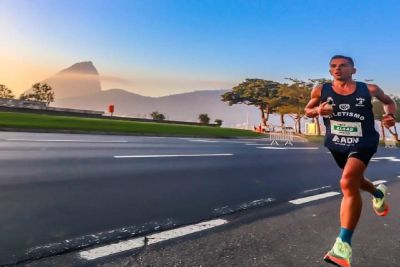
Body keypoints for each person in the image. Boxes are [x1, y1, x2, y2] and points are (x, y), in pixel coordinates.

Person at [304, 55, 397, 267]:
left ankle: (343, 245)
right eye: (333, 66)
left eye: (343, 66)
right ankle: (378, 193)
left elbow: (389, 103)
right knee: (355, 181)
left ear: (353, 70)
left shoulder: (369, 89)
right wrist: (318, 110)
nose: (338, 69)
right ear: (330, 71)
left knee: (347, 183)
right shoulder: (320, 90)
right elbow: (307, 111)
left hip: (363, 142)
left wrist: (389, 116)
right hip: (336, 143)